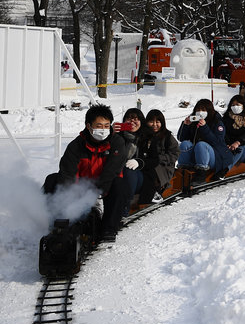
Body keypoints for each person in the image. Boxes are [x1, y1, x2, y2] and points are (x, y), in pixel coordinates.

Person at [42, 104, 130, 242]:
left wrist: (96, 193)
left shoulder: (117, 143)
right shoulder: (76, 146)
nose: (103, 130)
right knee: (52, 180)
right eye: (99, 126)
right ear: (89, 126)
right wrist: (70, 197)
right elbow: (68, 173)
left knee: (120, 184)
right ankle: (56, 223)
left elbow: (112, 170)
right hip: (80, 185)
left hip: (105, 186)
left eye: (107, 126)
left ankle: (109, 228)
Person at [176, 98, 233, 184]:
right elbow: (181, 138)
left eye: (203, 110)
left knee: (201, 145)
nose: (200, 112)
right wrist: (185, 126)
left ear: (209, 111)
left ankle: (201, 174)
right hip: (196, 155)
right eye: (198, 110)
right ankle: (184, 170)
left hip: (215, 156)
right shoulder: (194, 121)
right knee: (185, 144)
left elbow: (218, 142)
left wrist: (205, 127)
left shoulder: (217, 122)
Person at [136, 109, 180, 204]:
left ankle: (154, 192)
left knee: (152, 169)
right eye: (151, 121)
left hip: (164, 166)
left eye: (158, 121)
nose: (154, 124)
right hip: (146, 162)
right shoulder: (143, 135)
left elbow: (175, 153)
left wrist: (159, 158)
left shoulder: (167, 137)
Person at [118, 108, 150, 214]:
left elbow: (153, 159)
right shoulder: (118, 136)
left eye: (135, 119)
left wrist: (139, 162)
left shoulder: (147, 138)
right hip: (118, 173)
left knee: (129, 171)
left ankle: (124, 208)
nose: (132, 122)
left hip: (138, 177)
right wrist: (111, 134)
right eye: (129, 119)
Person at [223, 94, 245, 168]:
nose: (235, 107)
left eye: (237, 104)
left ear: (243, 105)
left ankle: (225, 169)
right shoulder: (226, 118)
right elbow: (224, 133)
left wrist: (238, 142)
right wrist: (227, 143)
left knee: (239, 149)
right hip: (229, 147)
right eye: (233, 105)